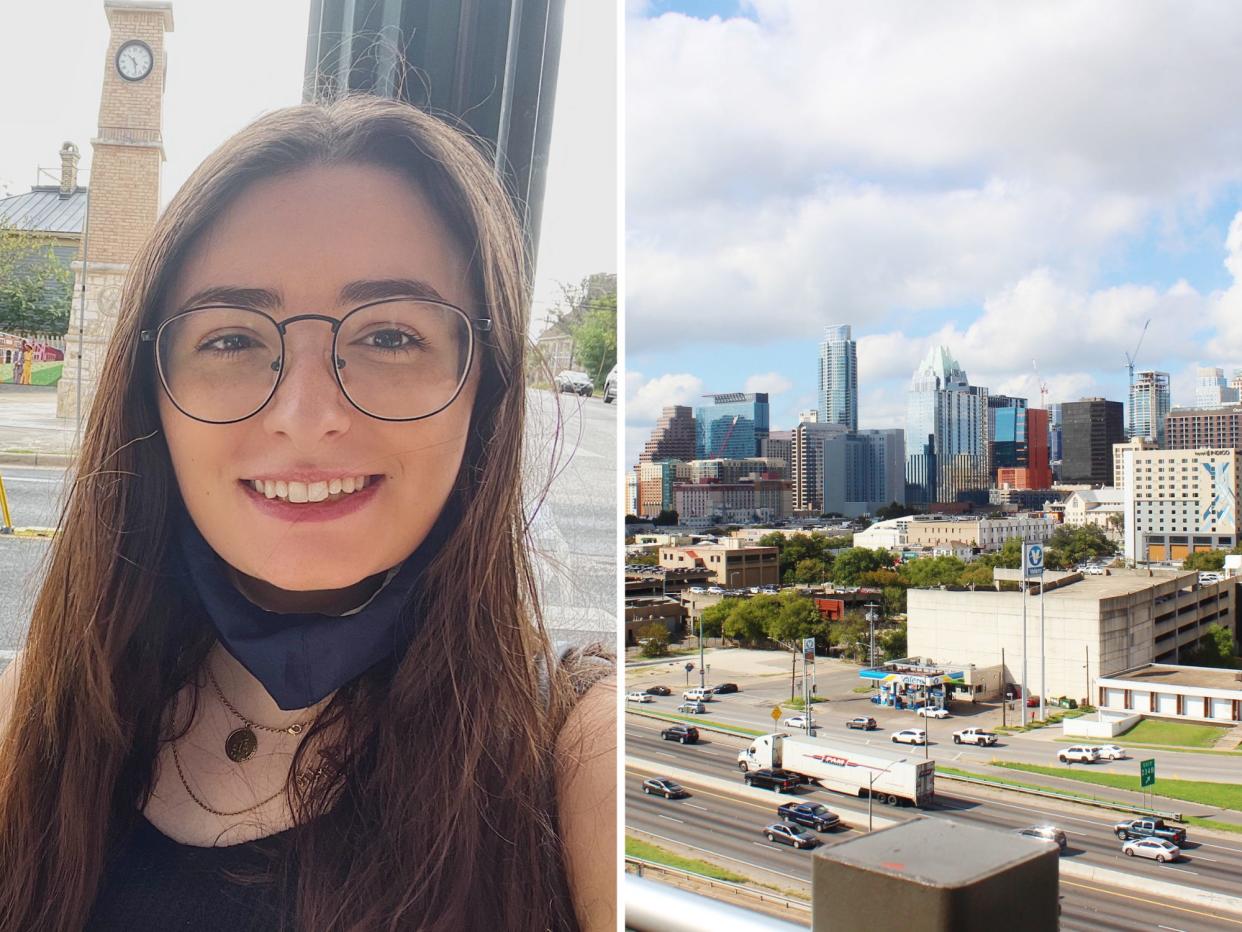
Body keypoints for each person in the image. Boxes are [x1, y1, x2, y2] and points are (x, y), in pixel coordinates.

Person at [0, 96, 616, 931]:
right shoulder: (30, 722)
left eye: (391, 336)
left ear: (489, 387)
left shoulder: (577, 753)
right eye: (232, 338)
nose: (305, 412)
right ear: (152, 396)